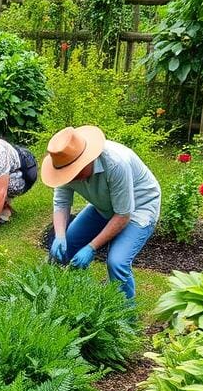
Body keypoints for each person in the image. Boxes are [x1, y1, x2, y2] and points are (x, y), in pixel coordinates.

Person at [42, 126, 161, 300]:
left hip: (139, 208)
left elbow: (123, 215)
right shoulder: (64, 165)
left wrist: (92, 247)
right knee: (66, 246)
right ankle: (57, 298)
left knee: (117, 262)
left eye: (75, 172)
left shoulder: (115, 164)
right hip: (105, 205)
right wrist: (59, 235)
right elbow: (61, 203)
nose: (71, 178)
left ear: (86, 160)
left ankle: (126, 318)